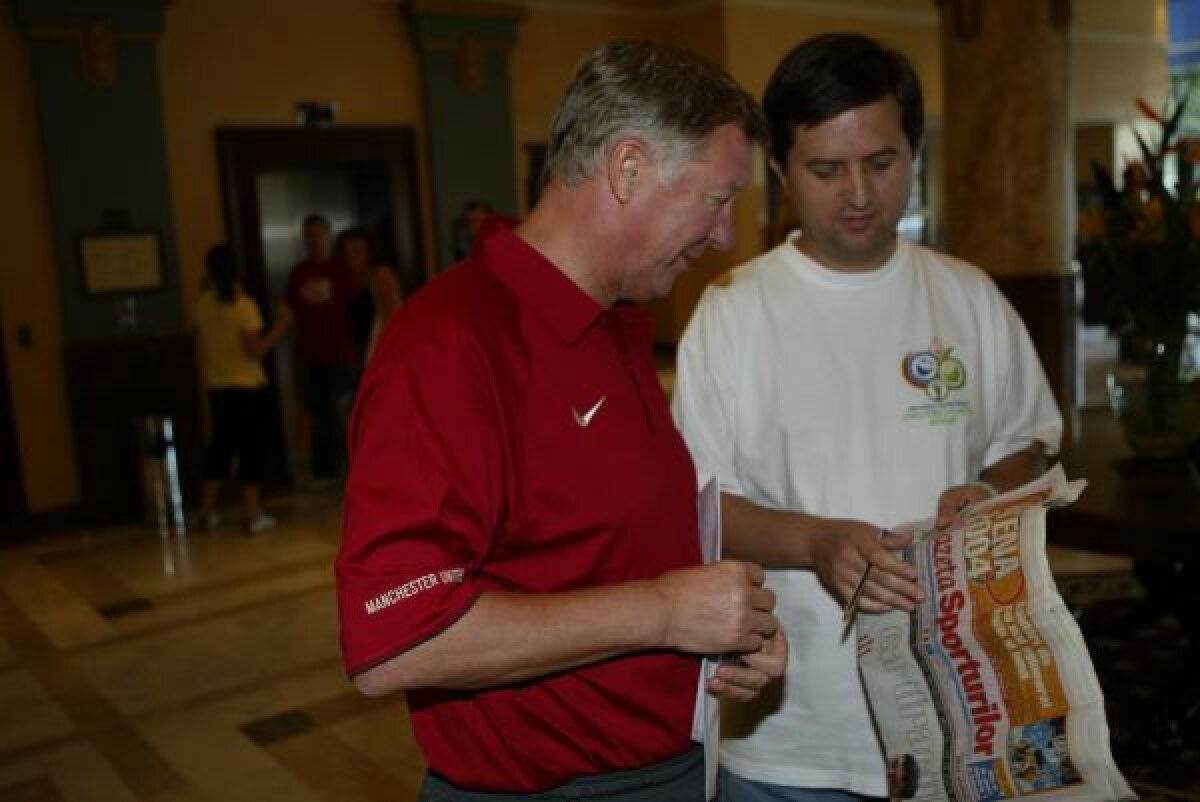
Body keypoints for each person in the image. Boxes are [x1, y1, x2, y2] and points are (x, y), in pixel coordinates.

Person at [336, 40, 788, 801]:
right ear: (629, 168)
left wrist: (722, 634)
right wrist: (666, 612)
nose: (725, 237)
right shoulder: (450, 343)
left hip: (667, 768)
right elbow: (395, 642)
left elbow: (594, 555)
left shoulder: (613, 327)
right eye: (716, 199)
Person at [671, 33, 1063, 801]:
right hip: (794, 740)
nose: (858, 193)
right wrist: (815, 543)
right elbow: (699, 508)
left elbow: (1032, 443)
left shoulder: (968, 296)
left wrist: (987, 493)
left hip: (959, 718)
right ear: (780, 172)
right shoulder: (732, 314)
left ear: (915, 153)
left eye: (882, 163)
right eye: (826, 169)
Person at [194, 244, 291, 534]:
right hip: (248, 388)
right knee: (252, 450)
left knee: (220, 450)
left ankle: (207, 511)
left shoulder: (203, 305)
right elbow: (255, 350)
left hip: (218, 389)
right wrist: (282, 324)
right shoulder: (243, 306)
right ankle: (252, 513)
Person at [285, 213, 359, 487]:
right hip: (310, 356)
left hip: (341, 354)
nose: (316, 239)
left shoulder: (342, 270)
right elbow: (290, 314)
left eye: (320, 233)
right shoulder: (299, 274)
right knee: (317, 414)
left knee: (340, 412)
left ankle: (351, 469)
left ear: (329, 236)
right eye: (311, 235)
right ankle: (324, 471)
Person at [337, 225, 402, 369]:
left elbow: (393, 313)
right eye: (346, 251)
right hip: (357, 350)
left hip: (379, 349)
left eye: (357, 250)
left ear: (369, 251)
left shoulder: (380, 274)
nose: (351, 255)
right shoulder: (347, 278)